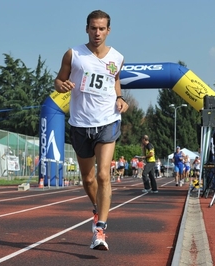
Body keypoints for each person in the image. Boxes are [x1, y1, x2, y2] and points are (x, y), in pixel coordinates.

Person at [54, 10, 129, 251]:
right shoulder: (73, 54)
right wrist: (62, 85)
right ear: (87, 28)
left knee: (103, 175)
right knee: (87, 179)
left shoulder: (117, 57)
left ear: (108, 30)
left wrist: (119, 97)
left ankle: (101, 230)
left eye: (102, 29)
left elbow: (115, 79)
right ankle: (97, 209)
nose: (97, 33)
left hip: (107, 120)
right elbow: (58, 80)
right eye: (93, 28)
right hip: (80, 123)